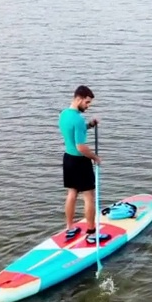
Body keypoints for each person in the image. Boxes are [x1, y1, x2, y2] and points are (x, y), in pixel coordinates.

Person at [59, 85, 100, 241]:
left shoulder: (63, 115)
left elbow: (74, 132)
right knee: (89, 196)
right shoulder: (77, 118)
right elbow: (81, 146)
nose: (88, 106)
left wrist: (89, 125)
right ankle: (91, 233)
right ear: (79, 98)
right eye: (87, 102)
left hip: (68, 158)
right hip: (80, 161)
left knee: (72, 193)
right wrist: (95, 158)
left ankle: (69, 228)